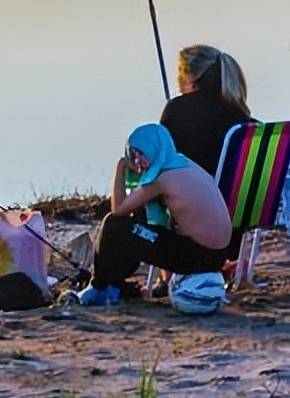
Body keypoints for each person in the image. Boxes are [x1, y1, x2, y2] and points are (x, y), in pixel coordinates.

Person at [78, 123, 233, 306]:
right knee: (137, 219)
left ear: (155, 148)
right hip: (218, 253)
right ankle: (114, 284)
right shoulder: (183, 164)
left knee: (113, 225)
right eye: (133, 156)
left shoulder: (162, 179)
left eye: (141, 154)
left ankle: (99, 286)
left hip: (197, 256)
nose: (137, 162)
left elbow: (118, 210)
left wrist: (120, 166)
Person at [160, 45, 253, 177]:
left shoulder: (177, 111)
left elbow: (164, 167)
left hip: (195, 195)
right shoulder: (243, 119)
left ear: (188, 81)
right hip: (240, 197)